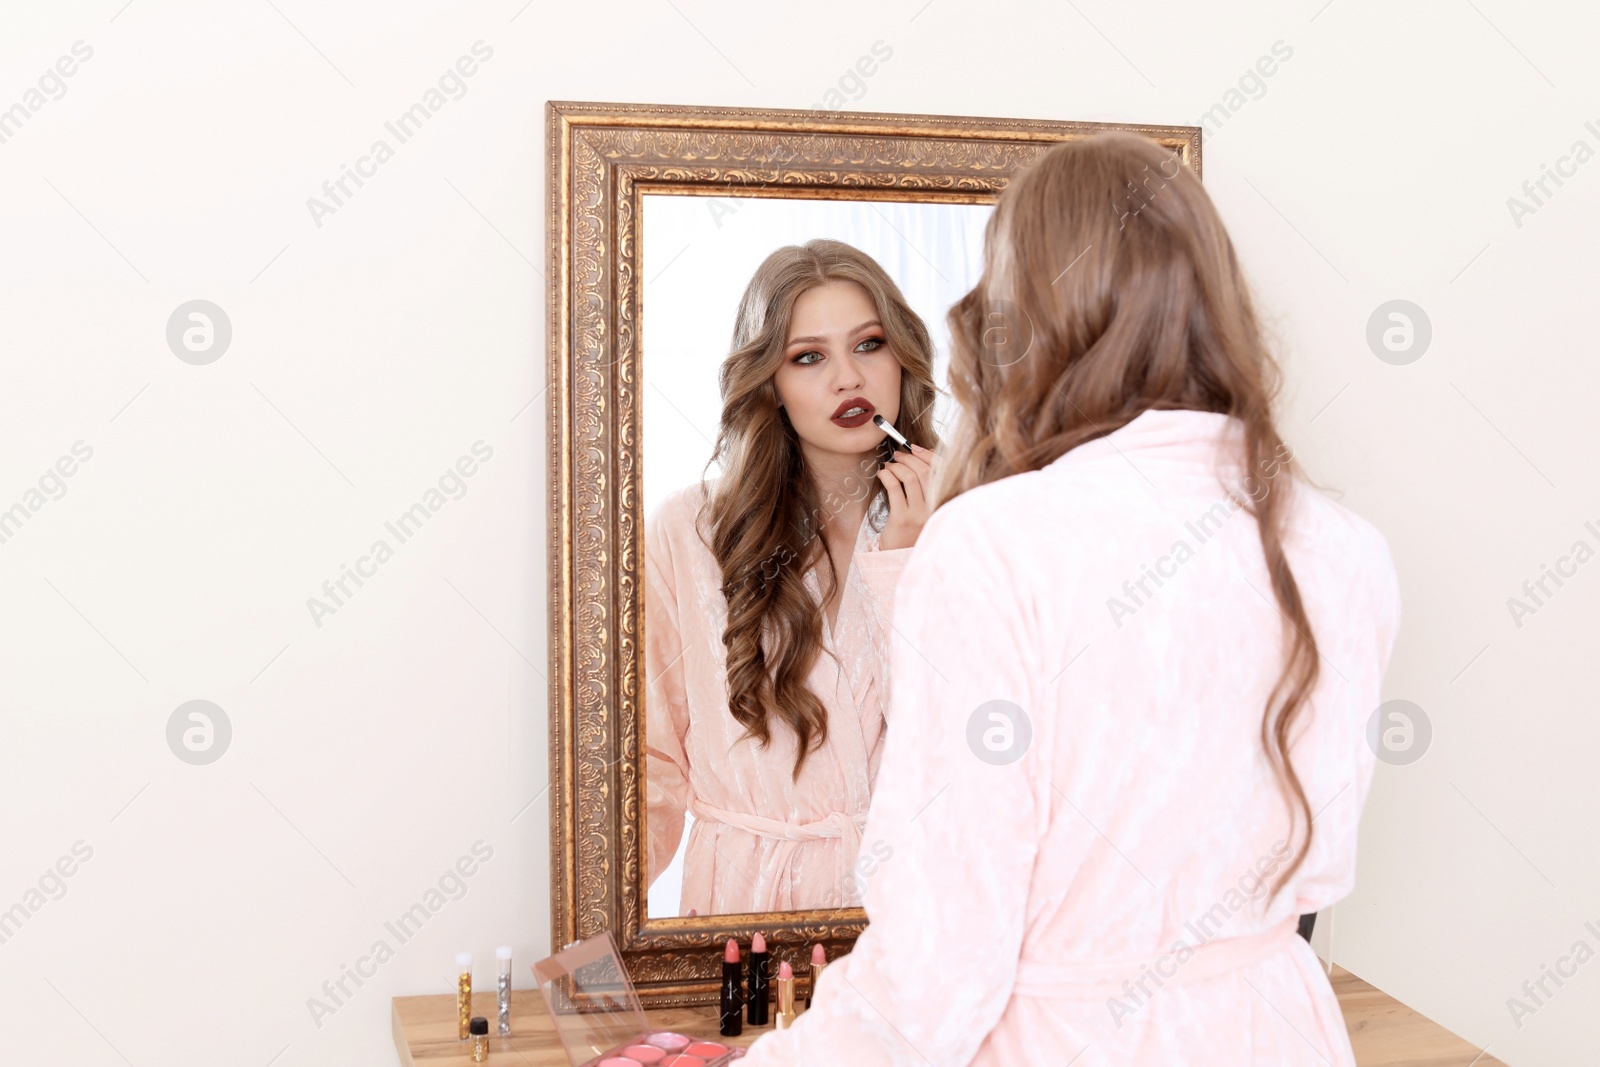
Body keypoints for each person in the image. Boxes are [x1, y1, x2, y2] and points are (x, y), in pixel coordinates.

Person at [740, 133, 1401, 1064]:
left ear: (1021, 317)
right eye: (807, 356)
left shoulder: (991, 546)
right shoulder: (1342, 548)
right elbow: (1314, 871)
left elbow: (937, 968)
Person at [645, 239, 943, 915]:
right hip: (738, 916)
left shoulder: (963, 521)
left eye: (868, 345)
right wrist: (593, 952)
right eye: (808, 357)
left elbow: (962, 756)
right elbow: (650, 765)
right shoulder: (689, 530)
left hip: (904, 915)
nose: (848, 379)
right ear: (769, 385)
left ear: (902, 357)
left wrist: (904, 562)